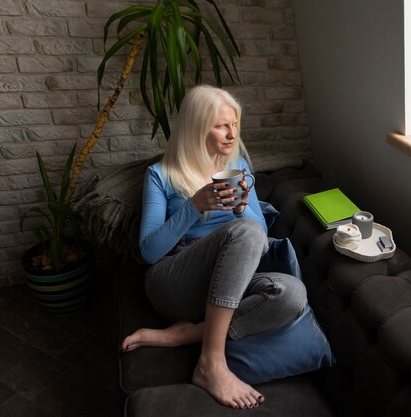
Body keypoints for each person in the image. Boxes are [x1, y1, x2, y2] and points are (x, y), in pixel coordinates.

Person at [119, 85, 308, 410]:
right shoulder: (161, 175)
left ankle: (182, 335)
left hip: (229, 281)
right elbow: (149, 252)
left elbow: (258, 242)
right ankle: (211, 363)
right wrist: (193, 206)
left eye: (235, 124)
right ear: (196, 127)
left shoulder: (240, 169)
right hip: (175, 281)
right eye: (222, 125)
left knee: (292, 294)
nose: (232, 133)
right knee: (246, 233)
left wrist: (242, 208)